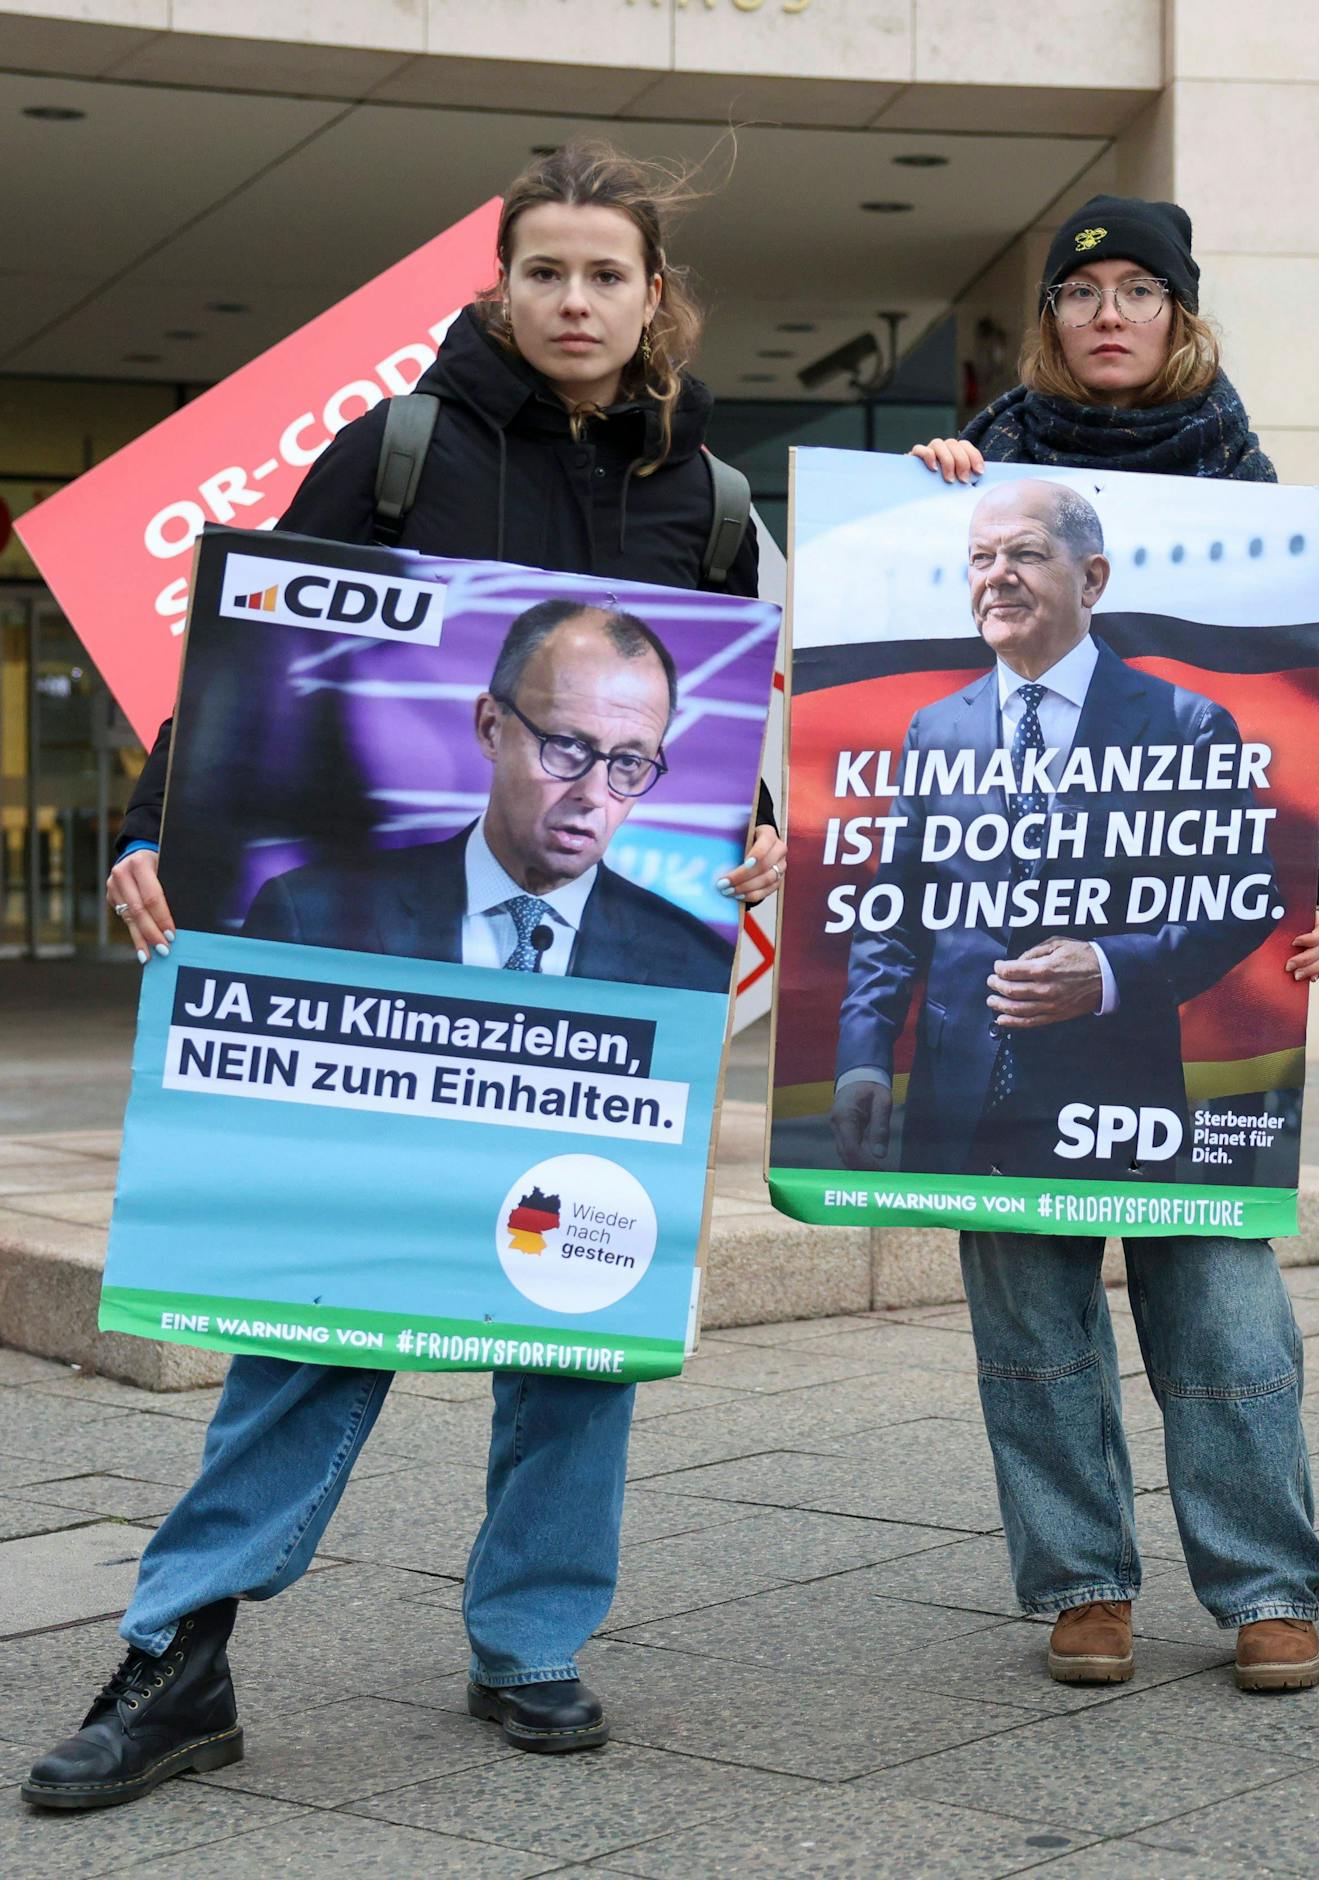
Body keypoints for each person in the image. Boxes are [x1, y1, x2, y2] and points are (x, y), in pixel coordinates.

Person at [25, 140, 776, 1813]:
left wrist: (765, 832)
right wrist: (160, 828)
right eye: (545, 271)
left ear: (652, 298)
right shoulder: (403, 445)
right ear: (499, 285)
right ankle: (178, 1655)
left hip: (602, 1000)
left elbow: (733, 737)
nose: (574, 301)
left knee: (580, 1316)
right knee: (312, 1310)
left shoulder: (708, 502)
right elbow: (248, 651)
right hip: (394, 970)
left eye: (605, 274)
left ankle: (530, 1641)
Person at [907, 194, 1319, 1695]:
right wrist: (918, 497)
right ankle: (1080, 1578)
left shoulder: (1242, 504)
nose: (1106, 314)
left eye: (1137, 291)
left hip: (1134, 1049)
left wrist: (1308, 892)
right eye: (1080, 290)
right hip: (978, 1071)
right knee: (1023, 1311)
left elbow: (1266, 810)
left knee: (1218, 1301)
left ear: (1178, 317)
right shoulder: (965, 492)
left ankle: (1267, 1584)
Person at [831, 478, 1271, 1179]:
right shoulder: (936, 729)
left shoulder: (1186, 725)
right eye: (980, 559)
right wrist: (864, 1060)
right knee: (1015, 1294)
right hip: (961, 1101)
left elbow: (1243, 899)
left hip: (1116, 1093)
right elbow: (892, 916)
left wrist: (1105, 971)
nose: (996, 578)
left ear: (1091, 578)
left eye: (1024, 555)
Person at [244, 600, 731, 990]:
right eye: (567, 746)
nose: (593, 794)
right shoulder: (308, 917)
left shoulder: (697, 970)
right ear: (491, 728)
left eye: (628, 762)